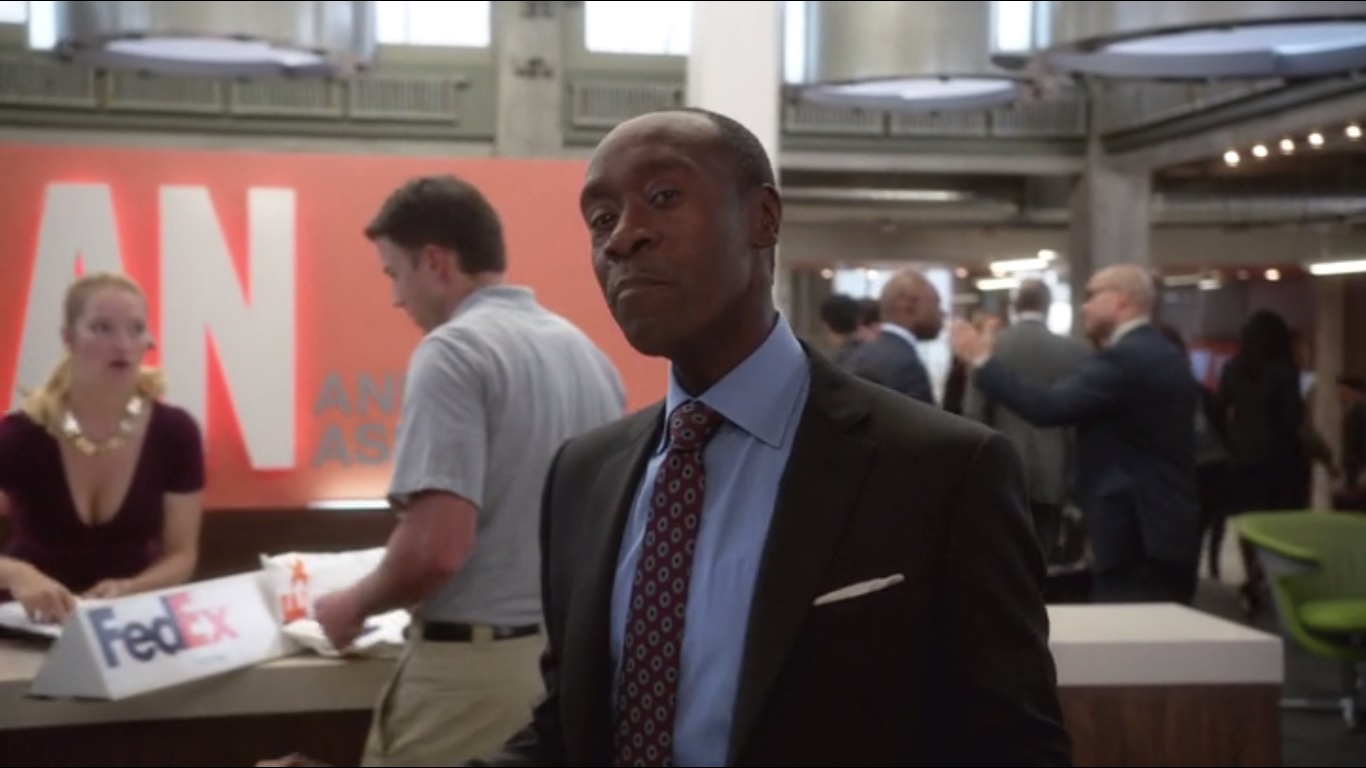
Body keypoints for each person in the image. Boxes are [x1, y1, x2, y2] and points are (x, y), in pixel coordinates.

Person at [474, 108, 1069, 766]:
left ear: (763, 218)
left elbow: (1015, 746)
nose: (623, 237)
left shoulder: (943, 470)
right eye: (601, 218)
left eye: (664, 196)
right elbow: (569, 730)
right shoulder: (584, 475)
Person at [264, 175, 626, 768]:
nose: (395, 298)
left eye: (394, 273)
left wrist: (352, 605)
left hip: (469, 679)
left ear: (434, 262)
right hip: (564, 669)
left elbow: (437, 548)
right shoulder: (586, 356)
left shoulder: (453, 352)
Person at [950, 264, 1201, 605]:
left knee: (1130, 625)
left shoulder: (1127, 358)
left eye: (1092, 295)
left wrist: (981, 360)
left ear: (1123, 299)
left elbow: (1048, 407)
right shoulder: (1157, 350)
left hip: (1137, 532)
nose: (1084, 306)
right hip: (1157, 524)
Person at [0, 272, 205, 623]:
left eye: (136, 329)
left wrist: (132, 588)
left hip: (128, 625)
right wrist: (17, 574)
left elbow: (181, 555)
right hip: (25, 623)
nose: (122, 344)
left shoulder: (175, 432)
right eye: (102, 328)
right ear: (68, 338)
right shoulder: (21, 435)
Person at [964, 280, 1091, 563]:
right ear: (1048, 306)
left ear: (1014, 306)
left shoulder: (990, 348)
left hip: (1001, 466)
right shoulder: (1075, 352)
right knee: (1045, 553)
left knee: (1002, 555)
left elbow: (974, 413)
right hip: (1055, 468)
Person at [847, 268, 942, 404]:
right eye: (936, 303)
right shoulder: (906, 367)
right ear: (908, 305)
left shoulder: (859, 354)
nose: (941, 313)